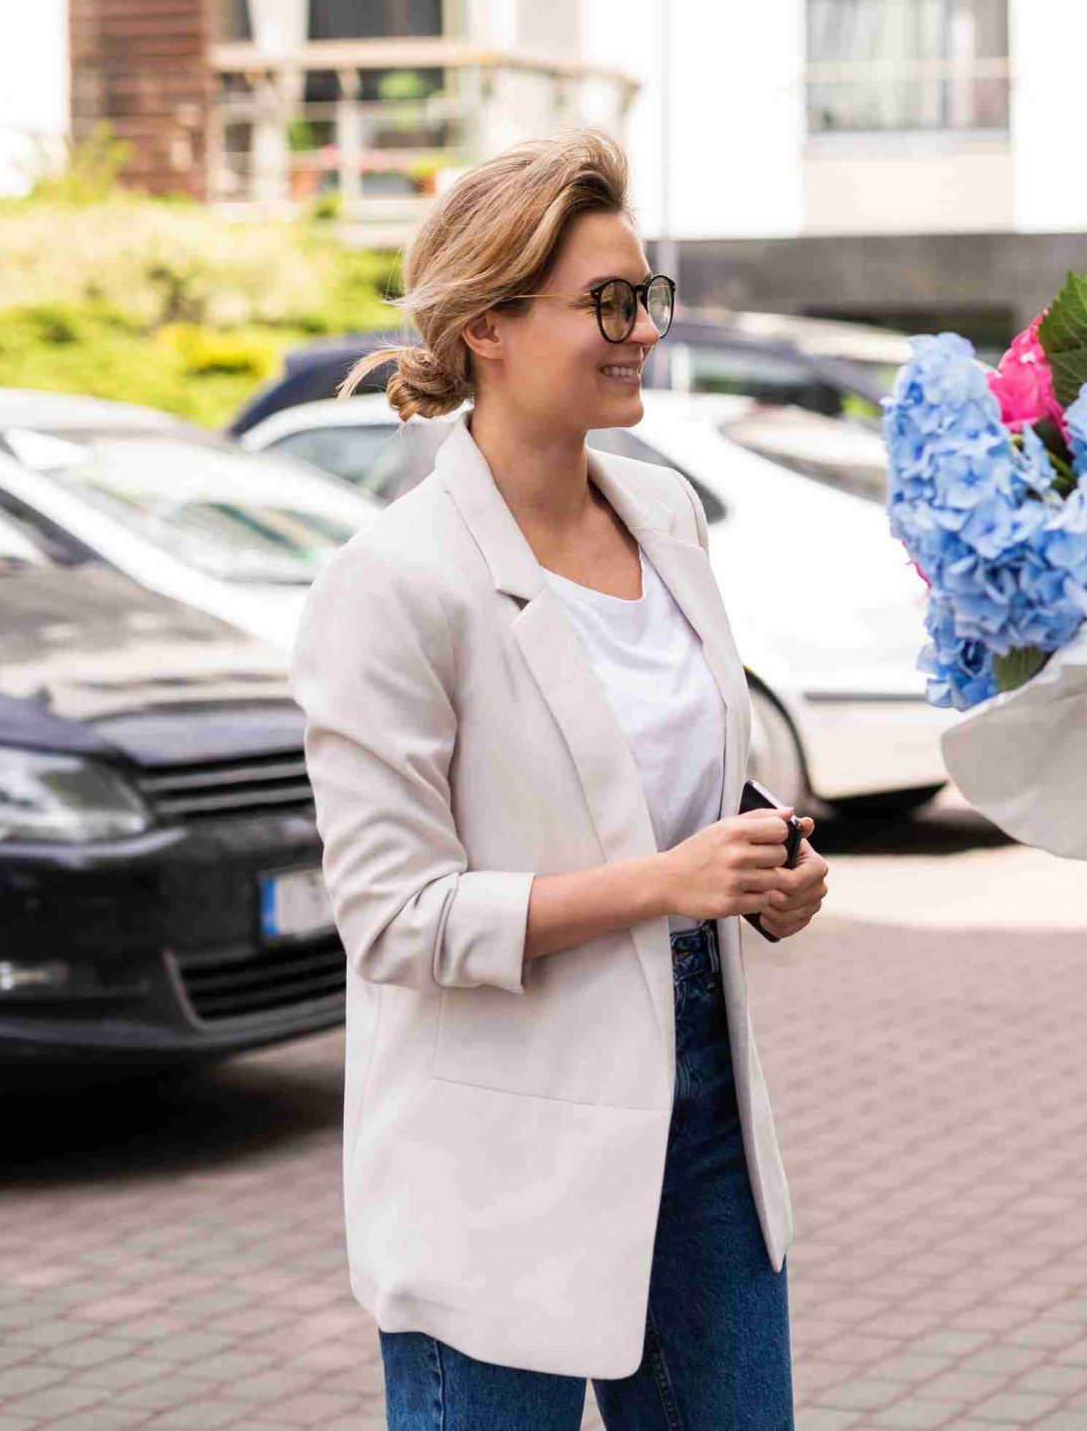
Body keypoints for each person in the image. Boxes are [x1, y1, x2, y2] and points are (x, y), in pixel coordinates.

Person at [290, 129, 826, 1430]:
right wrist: (666, 883)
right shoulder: (395, 582)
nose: (643, 329)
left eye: (648, 298)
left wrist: (766, 871)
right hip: (494, 1158)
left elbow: (690, 792)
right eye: (608, 302)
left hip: (704, 1123)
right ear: (487, 325)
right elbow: (393, 918)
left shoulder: (667, 515)